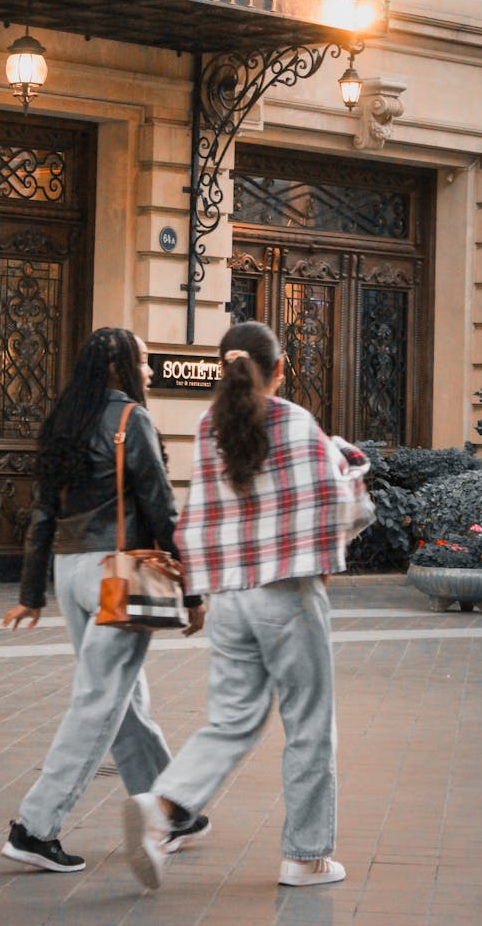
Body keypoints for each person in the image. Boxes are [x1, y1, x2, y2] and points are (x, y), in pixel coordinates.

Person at [123, 320, 374, 892]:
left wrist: (198, 593)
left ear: (223, 366)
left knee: (230, 721)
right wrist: (351, 467)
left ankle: (163, 808)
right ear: (279, 369)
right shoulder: (294, 421)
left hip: (231, 599)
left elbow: (199, 517)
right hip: (287, 595)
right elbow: (334, 506)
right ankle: (306, 857)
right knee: (309, 725)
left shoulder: (210, 426)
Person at [1, 326, 207, 874]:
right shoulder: (130, 421)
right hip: (118, 574)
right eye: (143, 362)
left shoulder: (63, 422)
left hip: (70, 572)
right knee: (99, 703)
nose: (148, 370)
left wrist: (31, 594)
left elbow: (42, 513)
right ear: (121, 368)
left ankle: (173, 807)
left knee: (123, 700)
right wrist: (193, 590)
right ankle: (35, 827)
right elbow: (162, 511)